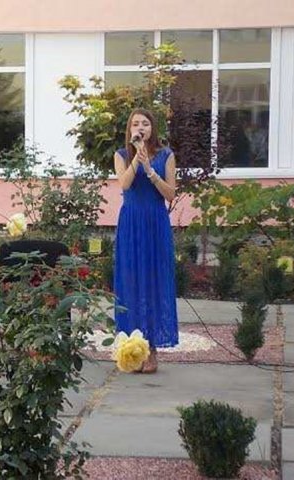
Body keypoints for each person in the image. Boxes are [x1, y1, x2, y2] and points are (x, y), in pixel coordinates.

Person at [113, 108, 179, 373]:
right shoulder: (121, 155)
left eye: (145, 123)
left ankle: (150, 348)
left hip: (155, 222)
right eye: (135, 124)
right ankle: (131, 347)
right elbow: (125, 184)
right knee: (130, 281)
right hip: (131, 223)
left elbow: (170, 194)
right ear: (130, 129)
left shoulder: (166, 155)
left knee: (153, 281)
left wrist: (151, 171)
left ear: (153, 128)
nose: (140, 127)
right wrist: (137, 160)